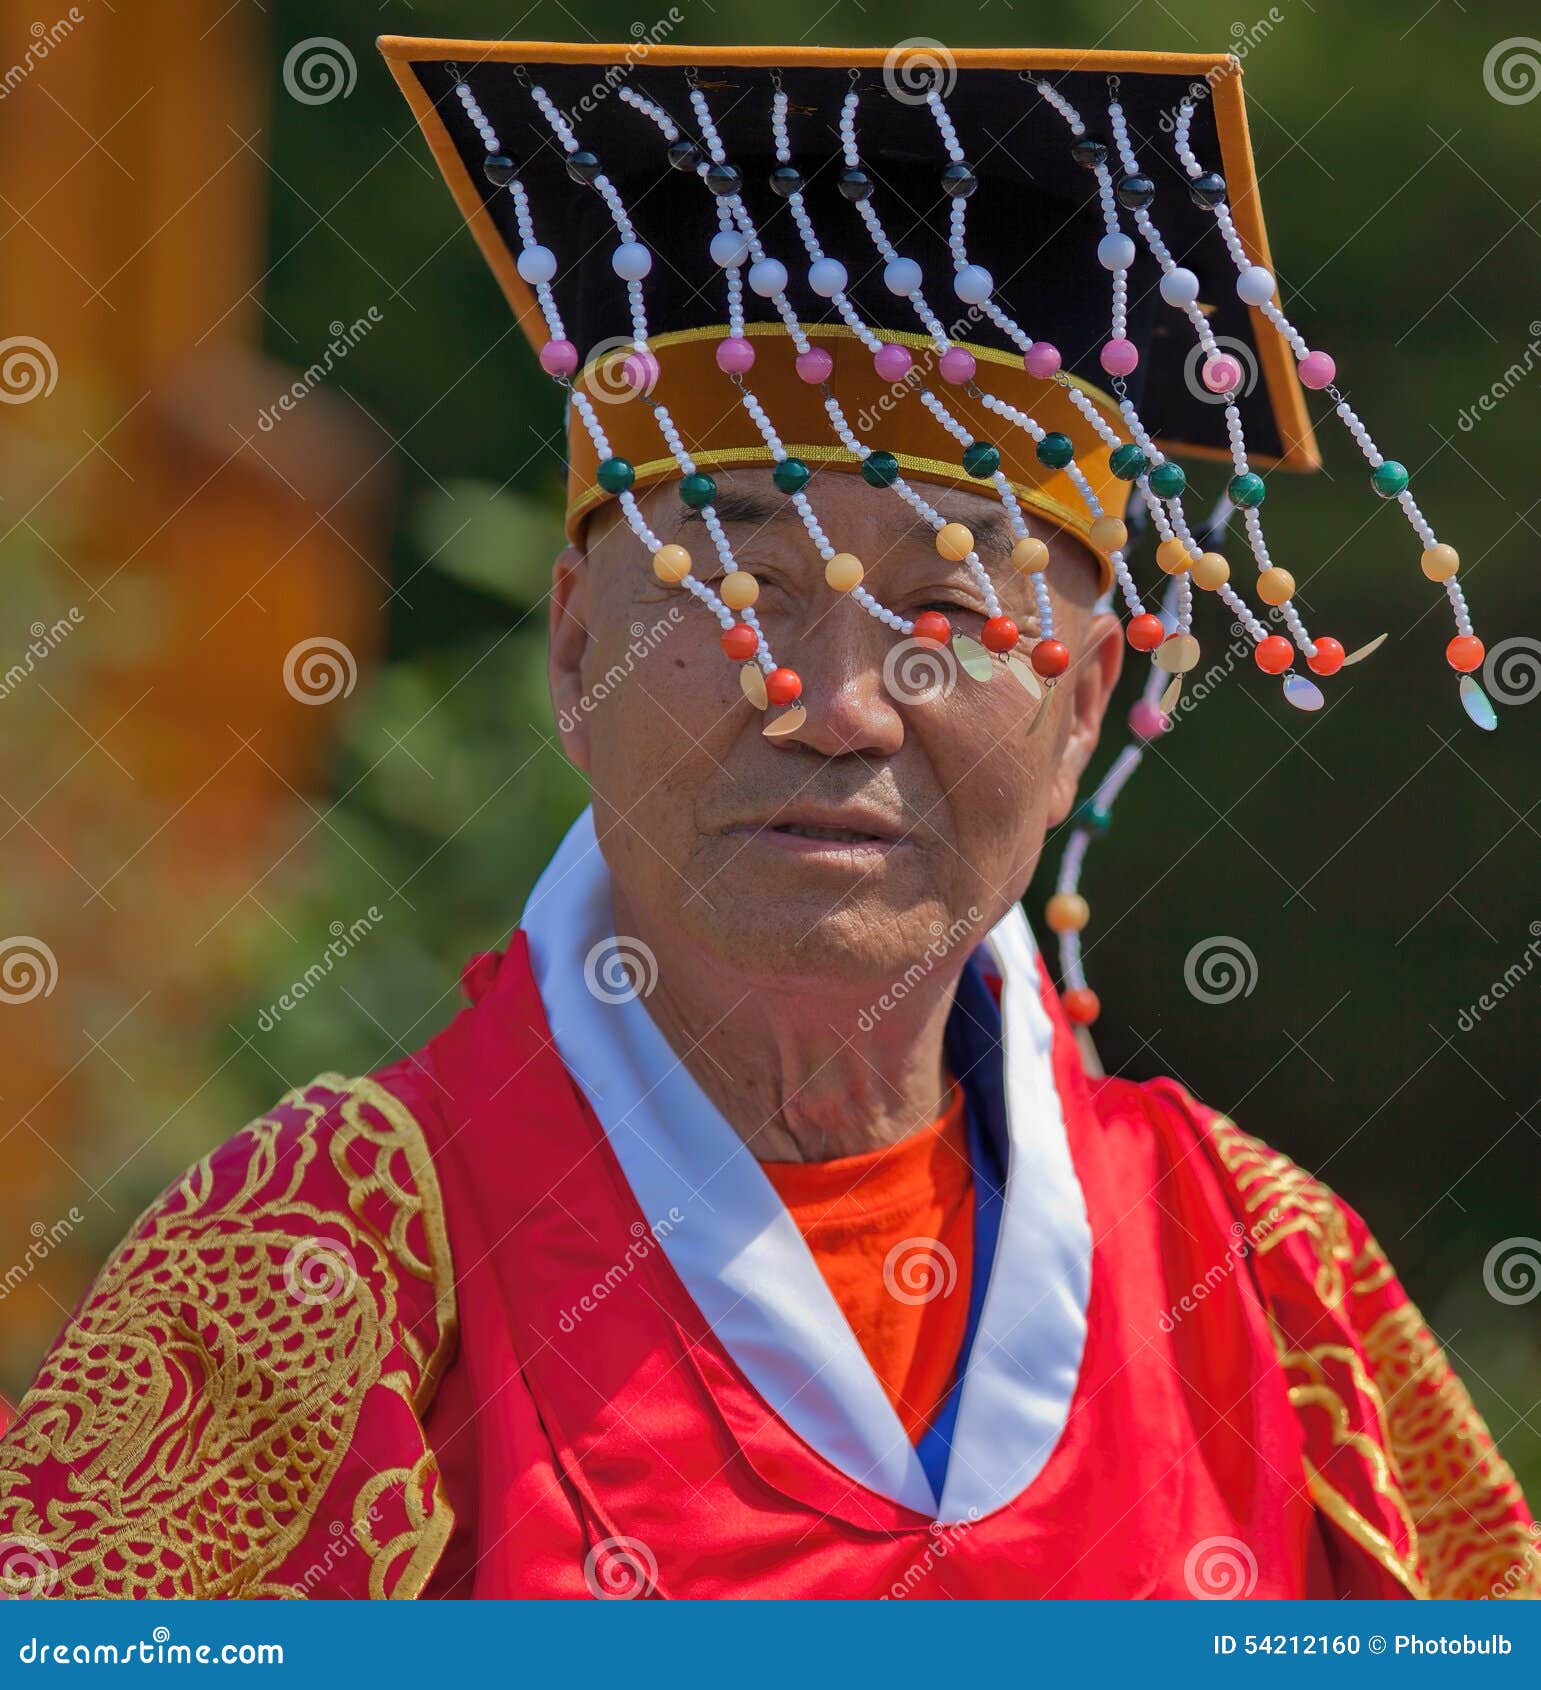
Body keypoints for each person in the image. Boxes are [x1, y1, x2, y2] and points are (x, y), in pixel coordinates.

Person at [0, 39, 1530, 1602]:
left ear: (1081, 709)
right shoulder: (337, 1258)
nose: (836, 704)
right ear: (578, 655)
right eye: (732, 596)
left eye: (944, 609)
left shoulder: (1265, 1282)